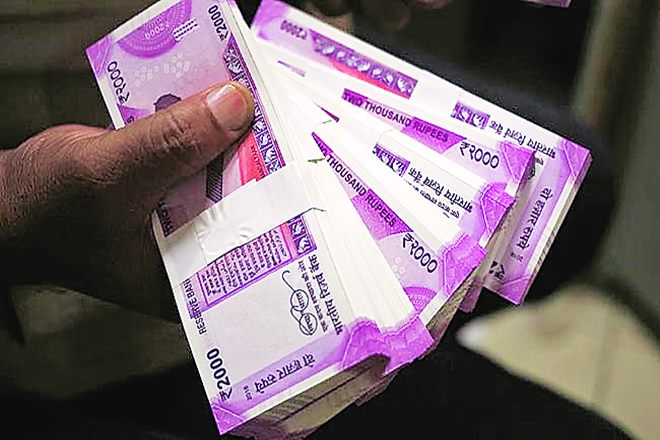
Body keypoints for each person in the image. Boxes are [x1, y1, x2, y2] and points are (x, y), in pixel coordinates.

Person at [1, 0, 625, 438]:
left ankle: (416, 322)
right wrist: (15, 218)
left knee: (579, 192)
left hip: (261, 40)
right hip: (87, 309)